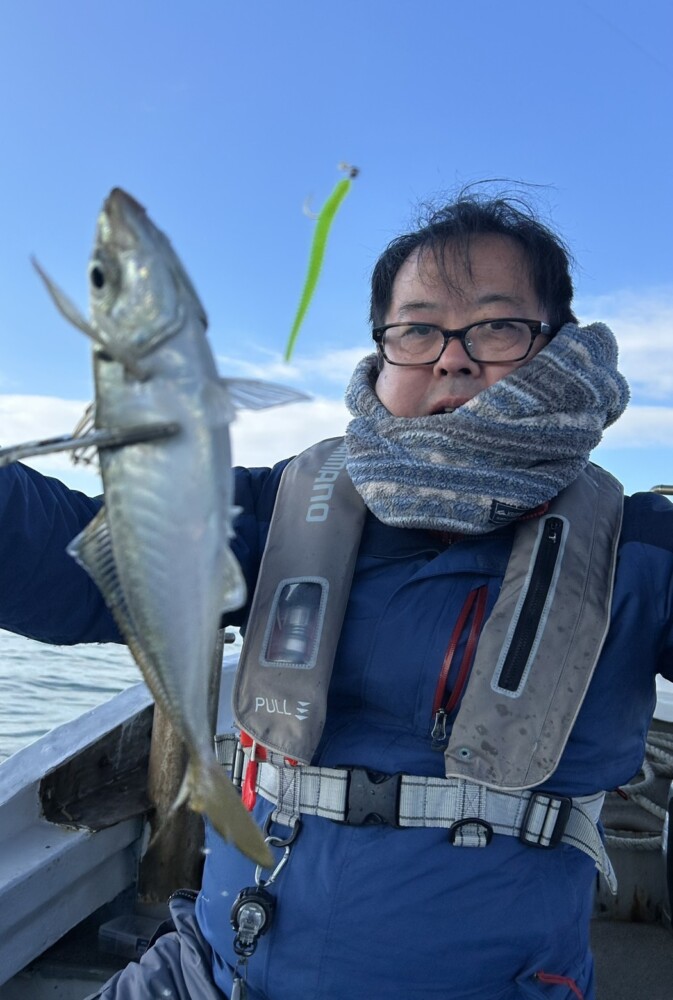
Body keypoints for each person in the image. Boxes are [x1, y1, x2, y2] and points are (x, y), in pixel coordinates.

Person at [1, 190, 672, 1000]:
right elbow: (75, 563)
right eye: (416, 328)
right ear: (380, 358)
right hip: (209, 972)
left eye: (496, 326)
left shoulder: (637, 549)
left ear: (558, 348)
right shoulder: (285, 505)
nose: (450, 358)